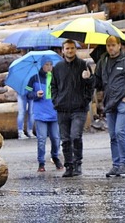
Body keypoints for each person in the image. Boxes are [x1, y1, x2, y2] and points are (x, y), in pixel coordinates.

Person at [93, 35, 125, 177]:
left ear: (119, 45)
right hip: (110, 103)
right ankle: (116, 165)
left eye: (113, 45)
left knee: (120, 132)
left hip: (123, 102)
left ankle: (124, 164)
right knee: (113, 135)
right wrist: (89, 77)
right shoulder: (103, 60)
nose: (110, 48)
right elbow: (98, 81)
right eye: (108, 45)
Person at [52, 39, 94, 177]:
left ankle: (77, 163)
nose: (70, 51)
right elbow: (54, 86)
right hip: (62, 109)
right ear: (62, 50)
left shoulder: (83, 65)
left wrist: (87, 80)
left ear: (76, 50)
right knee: (65, 140)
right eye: (67, 48)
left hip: (79, 109)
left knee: (75, 136)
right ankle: (68, 166)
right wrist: (56, 101)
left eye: (72, 48)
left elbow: (91, 86)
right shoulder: (57, 68)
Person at [26, 57, 63, 172]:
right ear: (42, 65)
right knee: (41, 139)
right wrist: (36, 94)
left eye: (50, 65)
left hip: (54, 112)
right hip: (40, 113)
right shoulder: (34, 78)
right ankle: (41, 162)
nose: (49, 67)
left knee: (56, 138)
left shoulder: (56, 78)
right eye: (46, 64)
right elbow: (27, 93)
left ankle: (55, 157)